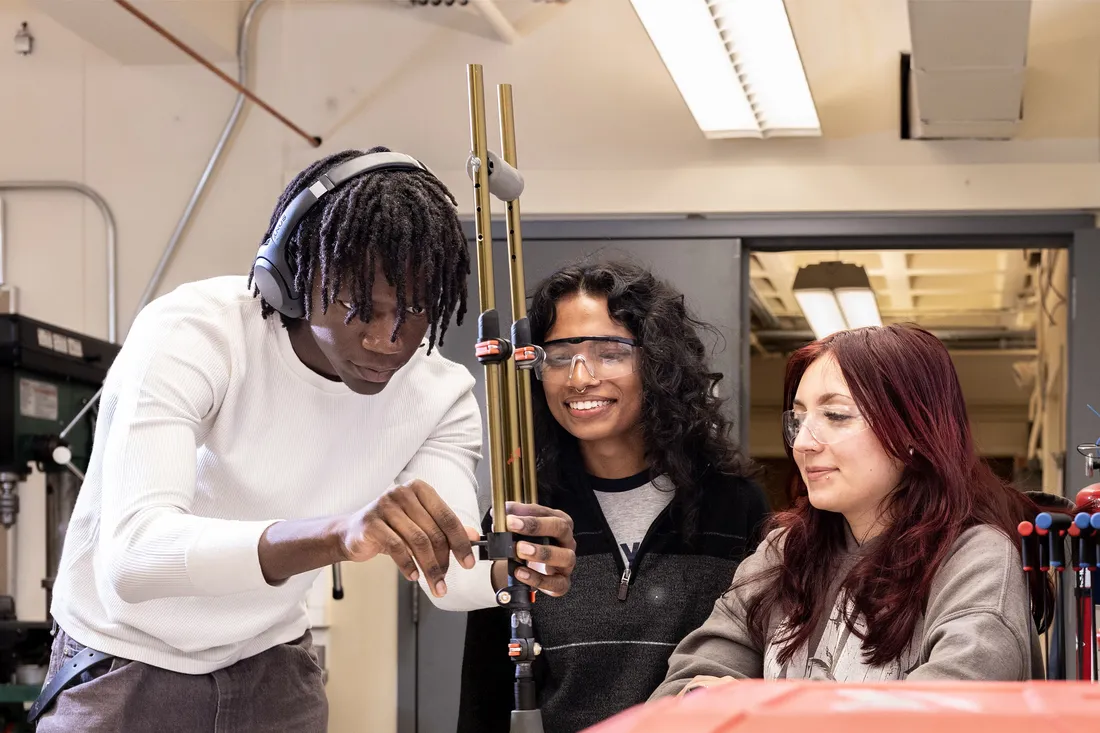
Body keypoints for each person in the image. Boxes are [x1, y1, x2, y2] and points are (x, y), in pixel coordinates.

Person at [31, 147, 577, 732]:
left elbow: (449, 574)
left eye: (415, 312)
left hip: (272, 667)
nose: (387, 341)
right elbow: (134, 558)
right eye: (359, 308)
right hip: (124, 665)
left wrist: (512, 567)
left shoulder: (437, 395)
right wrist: (337, 533)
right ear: (291, 276)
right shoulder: (196, 334)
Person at [649, 324, 1052, 698]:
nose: (803, 443)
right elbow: (687, 687)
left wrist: (757, 704)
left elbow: (944, 709)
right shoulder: (785, 549)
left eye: (836, 416)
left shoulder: (976, 558)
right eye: (799, 418)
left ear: (914, 432)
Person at [457, 260, 770, 733]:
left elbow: (761, 670)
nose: (580, 377)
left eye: (610, 352)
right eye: (559, 355)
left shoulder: (736, 505)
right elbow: (484, 698)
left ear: (658, 362)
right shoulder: (522, 513)